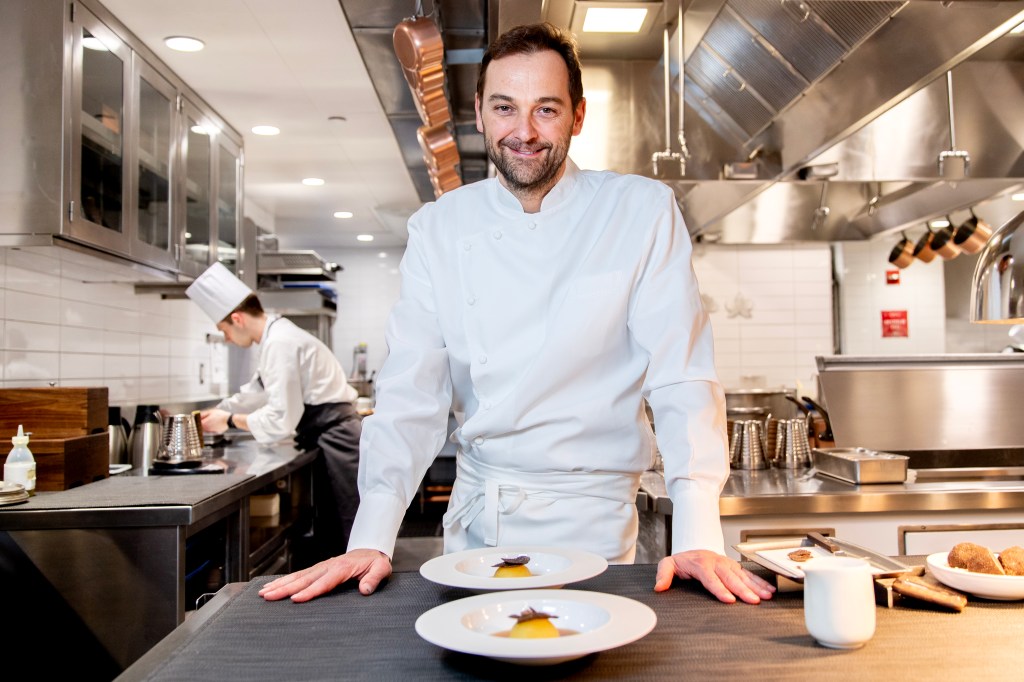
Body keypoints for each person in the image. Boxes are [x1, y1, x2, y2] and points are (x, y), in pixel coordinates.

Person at [260, 22, 774, 605]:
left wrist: (699, 530)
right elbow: (411, 393)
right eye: (505, 107)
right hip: (479, 520)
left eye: (546, 110)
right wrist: (371, 535)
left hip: (596, 523)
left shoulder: (641, 210)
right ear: (480, 112)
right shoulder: (438, 228)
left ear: (578, 116)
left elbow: (682, 374)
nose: (523, 132)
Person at [186, 262, 361, 562]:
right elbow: (257, 392)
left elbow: (281, 419)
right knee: (338, 536)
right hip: (329, 436)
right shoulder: (275, 337)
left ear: (237, 319)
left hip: (337, 441)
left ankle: (358, 607)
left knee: (346, 537)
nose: (227, 339)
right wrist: (216, 411)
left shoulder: (280, 342)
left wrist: (228, 420)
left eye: (223, 330)